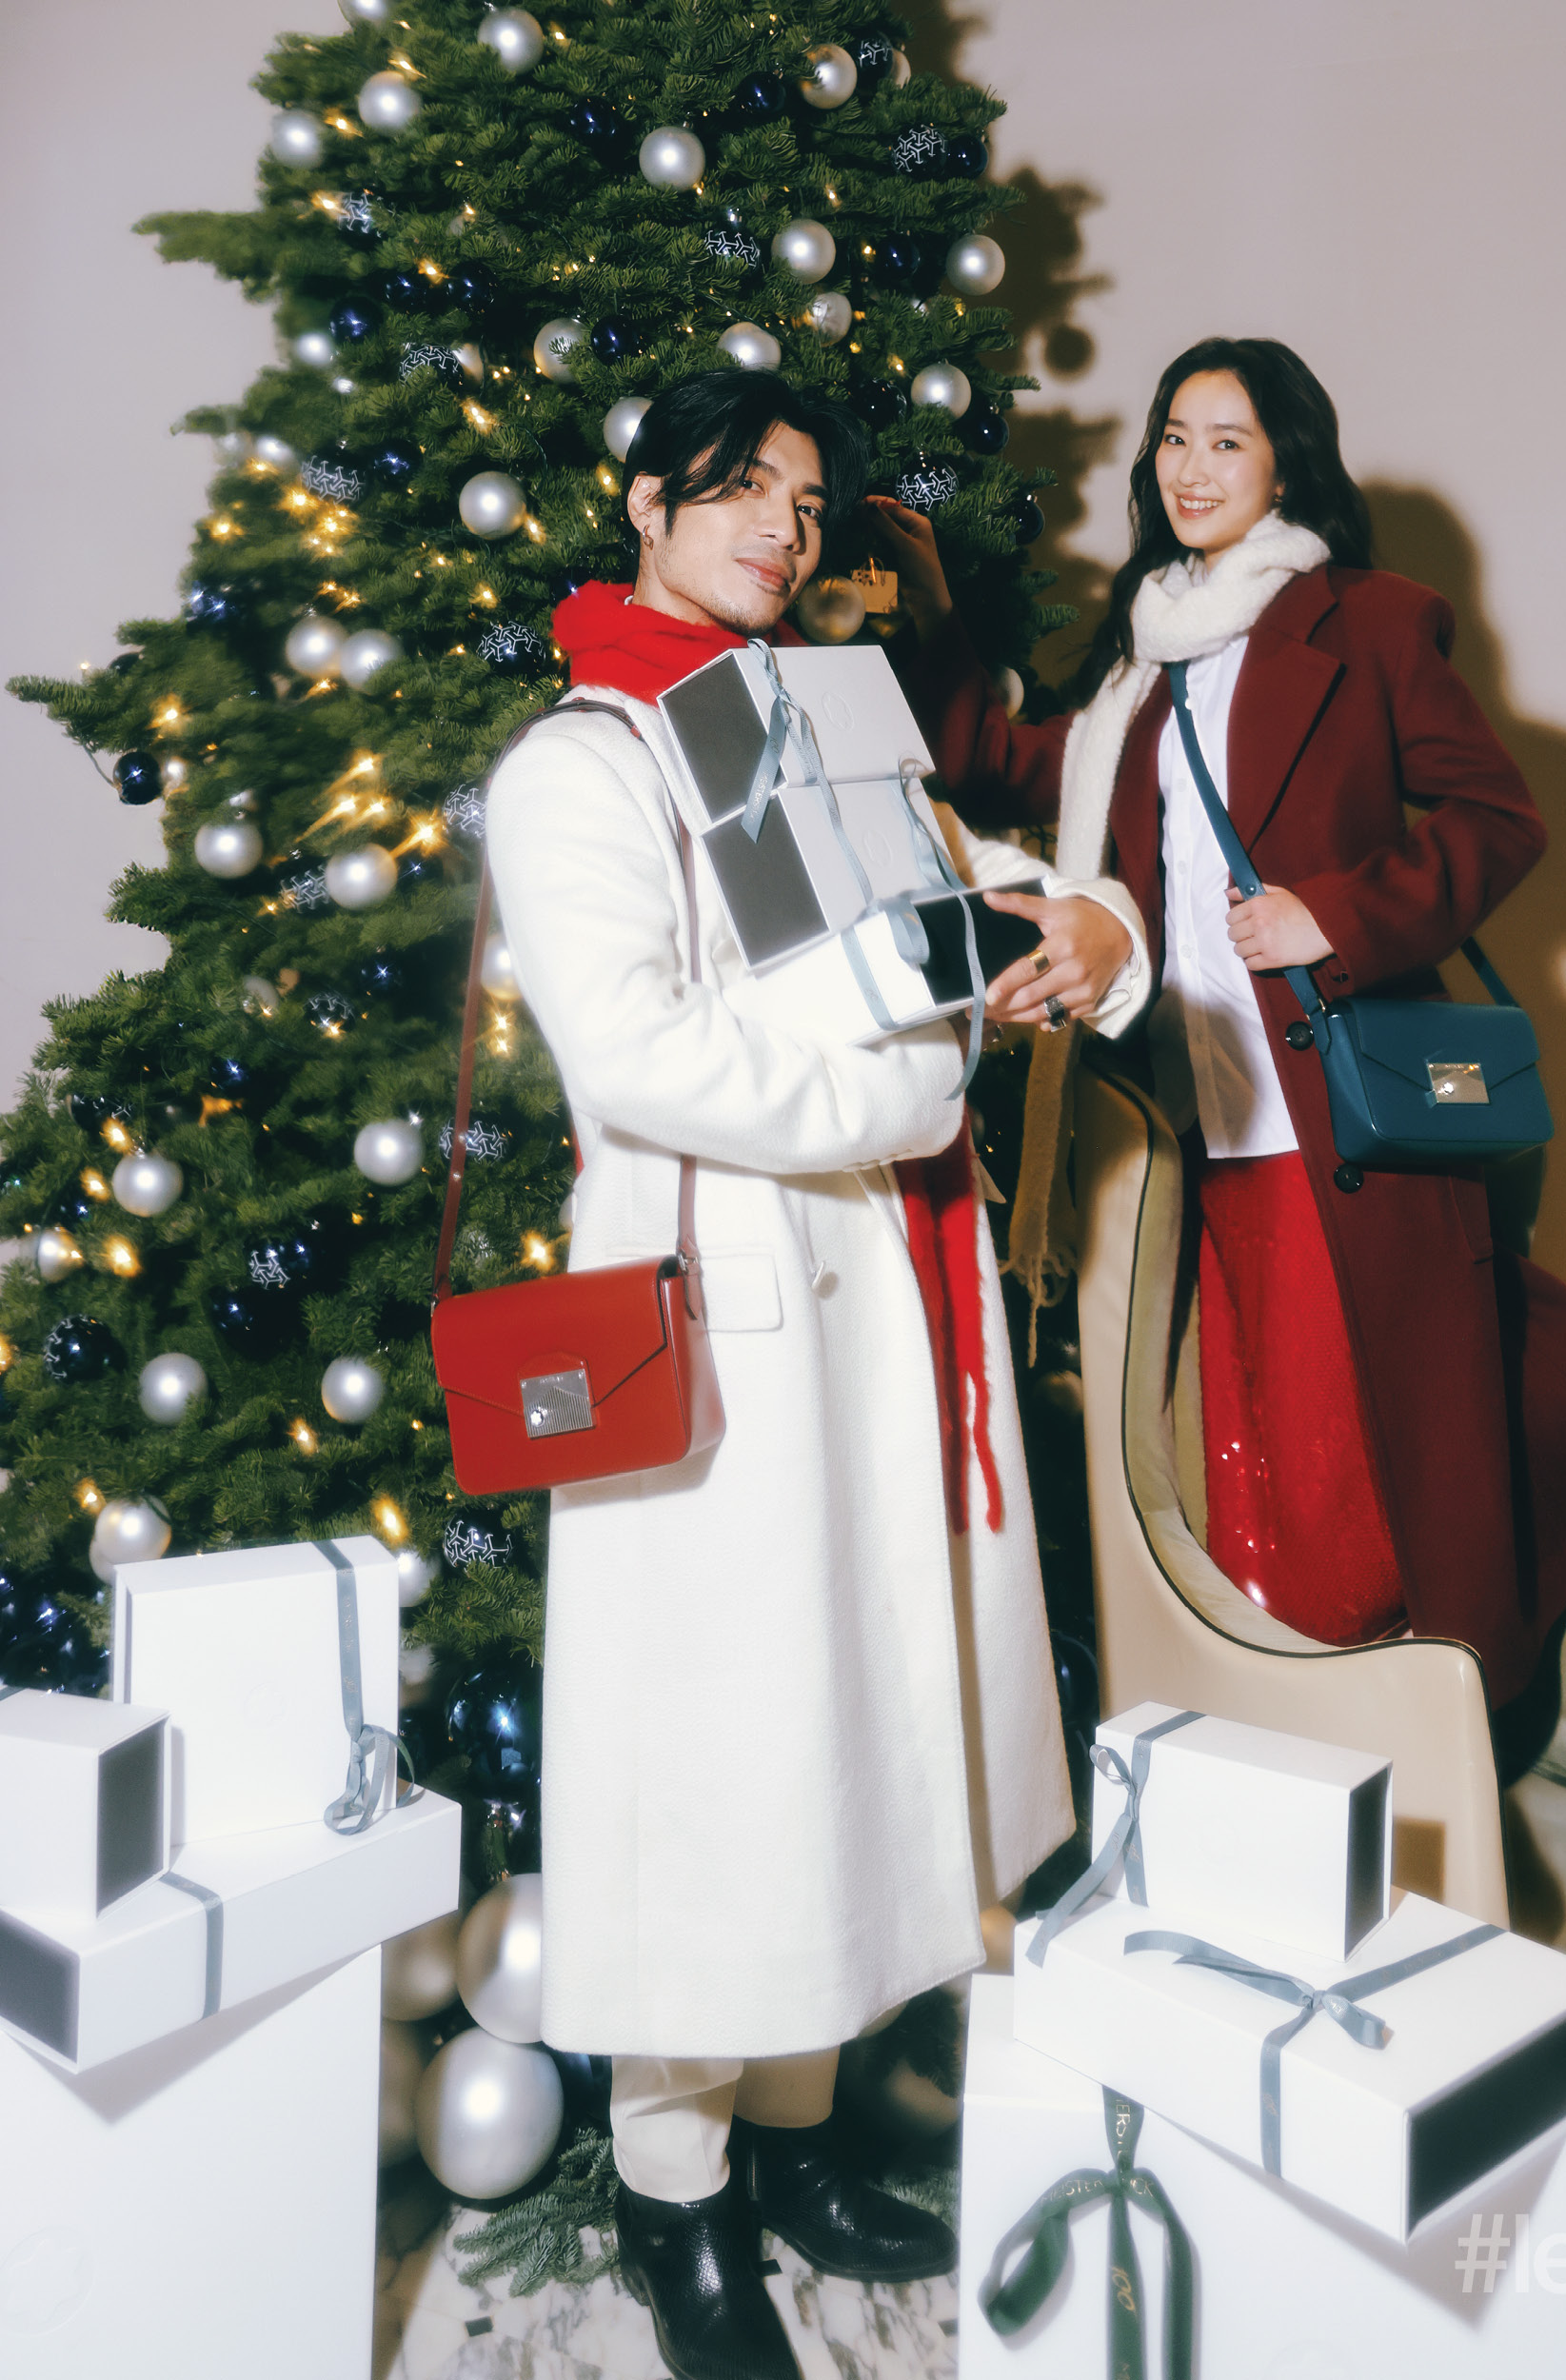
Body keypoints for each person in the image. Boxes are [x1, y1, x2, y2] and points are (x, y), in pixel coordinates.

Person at [483, 368, 1146, 2380]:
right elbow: (640, 1055)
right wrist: (908, 1085)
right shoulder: (579, 760)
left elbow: (1024, 875)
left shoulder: (824, 721)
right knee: (712, 1763)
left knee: (842, 1739)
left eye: (806, 495)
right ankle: (678, 2194)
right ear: (644, 501)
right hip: (723, 1312)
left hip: (880, 1297)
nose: (782, 522)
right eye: (739, 488)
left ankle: (788, 2143)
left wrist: (1086, 932)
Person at [872, 335, 1566, 1758]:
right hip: (1201, 1110)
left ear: (1285, 464)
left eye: (1228, 441)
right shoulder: (1138, 659)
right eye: (1174, 439)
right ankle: (1333, 1735)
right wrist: (939, 613)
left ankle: (1455, 1692)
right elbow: (1004, 760)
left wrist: (1335, 915)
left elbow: (1498, 822)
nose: (1193, 469)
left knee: (1410, 1431)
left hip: (1353, 1104)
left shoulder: (1370, 622)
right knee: (1280, 1446)